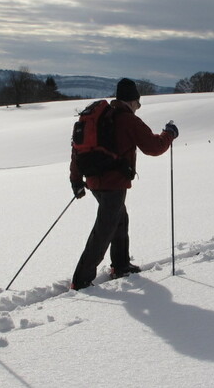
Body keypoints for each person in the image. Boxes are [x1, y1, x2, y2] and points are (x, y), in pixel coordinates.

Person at [69, 78, 177, 290]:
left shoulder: (101, 116)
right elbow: (154, 147)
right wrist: (169, 134)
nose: (139, 107)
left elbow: (77, 150)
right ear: (133, 100)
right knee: (105, 228)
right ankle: (81, 279)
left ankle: (120, 264)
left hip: (94, 179)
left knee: (119, 218)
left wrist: (76, 180)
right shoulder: (127, 119)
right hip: (113, 181)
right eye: (138, 102)